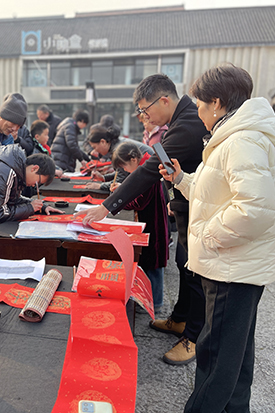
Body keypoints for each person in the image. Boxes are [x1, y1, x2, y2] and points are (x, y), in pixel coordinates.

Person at [158, 64, 275, 412]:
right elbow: (217, 193)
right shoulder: (235, 135)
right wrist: (181, 179)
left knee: (216, 358)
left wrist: (207, 235)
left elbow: (254, 210)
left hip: (232, 267)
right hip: (238, 264)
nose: (198, 112)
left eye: (200, 105)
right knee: (236, 357)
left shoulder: (241, 140)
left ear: (216, 103)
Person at [77, 74, 207, 365]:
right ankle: (181, 319)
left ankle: (195, 337)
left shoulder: (187, 124)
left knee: (195, 272)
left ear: (164, 100)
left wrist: (106, 207)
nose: (144, 117)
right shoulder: (180, 121)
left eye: (145, 111)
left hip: (202, 212)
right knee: (184, 265)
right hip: (186, 206)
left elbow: (148, 171)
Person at [111, 141, 168, 313]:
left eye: (125, 166)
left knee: (153, 264)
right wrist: (123, 189)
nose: (125, 170)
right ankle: (151, 300)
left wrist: (120, 198)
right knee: (150, 262)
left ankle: (156, 303)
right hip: (151, 218)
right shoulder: (144, 166)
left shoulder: (147, 170)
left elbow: (139, 202)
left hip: (153, 221)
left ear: (134, 159)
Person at [85, 126, 153, 192]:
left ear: (103, 142)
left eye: (94, 147)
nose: (94, 151)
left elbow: (120, 179)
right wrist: (104, 178)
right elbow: (121, 172)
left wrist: (100, 186)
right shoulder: (116, 144)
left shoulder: (118, 150)